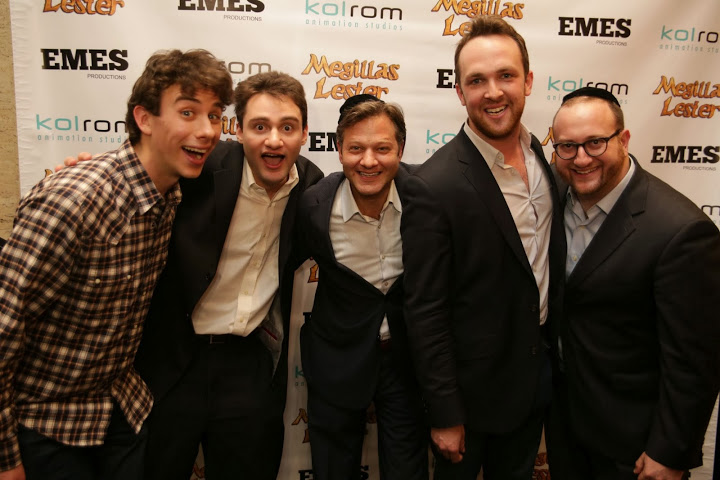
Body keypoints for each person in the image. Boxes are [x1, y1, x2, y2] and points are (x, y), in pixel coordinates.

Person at [0, 49, 233, 480]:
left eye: (216, 116)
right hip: (47, 428)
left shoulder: (171, 197)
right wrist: (6, 457)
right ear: (144, 119)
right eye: (188, 112)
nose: (207, 131)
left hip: (122, 412)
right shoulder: (73, 199)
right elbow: (4, 328)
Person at [132, 71, 324, 480]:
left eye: (287, 127)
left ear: (305, 132)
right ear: (237, 131)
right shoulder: (200, 168)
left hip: (248, 364)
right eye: (259, 126)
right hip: (174, 360)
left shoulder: (312, 187)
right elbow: (137, 172)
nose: (274, 140)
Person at [400, 15, 565, 479]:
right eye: (477, 80)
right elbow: (425, 309)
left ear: (528, 81)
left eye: (506, 76)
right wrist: (446, 413)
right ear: (459, 92)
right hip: (469, 404)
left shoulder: (545, 161)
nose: (493, 92)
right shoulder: (433, 185)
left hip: (534, 387)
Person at [547, 86, 720, 480]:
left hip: (635, 445)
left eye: (595, 143)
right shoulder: (554, 197)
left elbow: (695, 362)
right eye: (567, 147)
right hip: (565, 427)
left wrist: (671, 451)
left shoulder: (681, 231)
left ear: (623, 140)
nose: (581, 158)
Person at [296, 95, 428, 480]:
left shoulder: (426, 198)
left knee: (408, 469)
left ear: (400, 149)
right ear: (338, 150)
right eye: (355, 148)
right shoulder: (313, 205)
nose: (368, 161)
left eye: (382, 148)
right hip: (336, 357)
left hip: (405, 362)